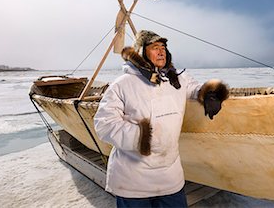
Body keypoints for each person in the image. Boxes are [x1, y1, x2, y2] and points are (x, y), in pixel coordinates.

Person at [94, 30, 229, 208]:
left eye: (163, 47)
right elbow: (105, 124)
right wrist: (145, 138)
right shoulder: (123, 84)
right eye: (155, 47)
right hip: (133, 179)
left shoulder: (176, 80)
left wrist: (211, 94)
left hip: (169, 176)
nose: (161, 51)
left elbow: (195, 88)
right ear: (141, 53)